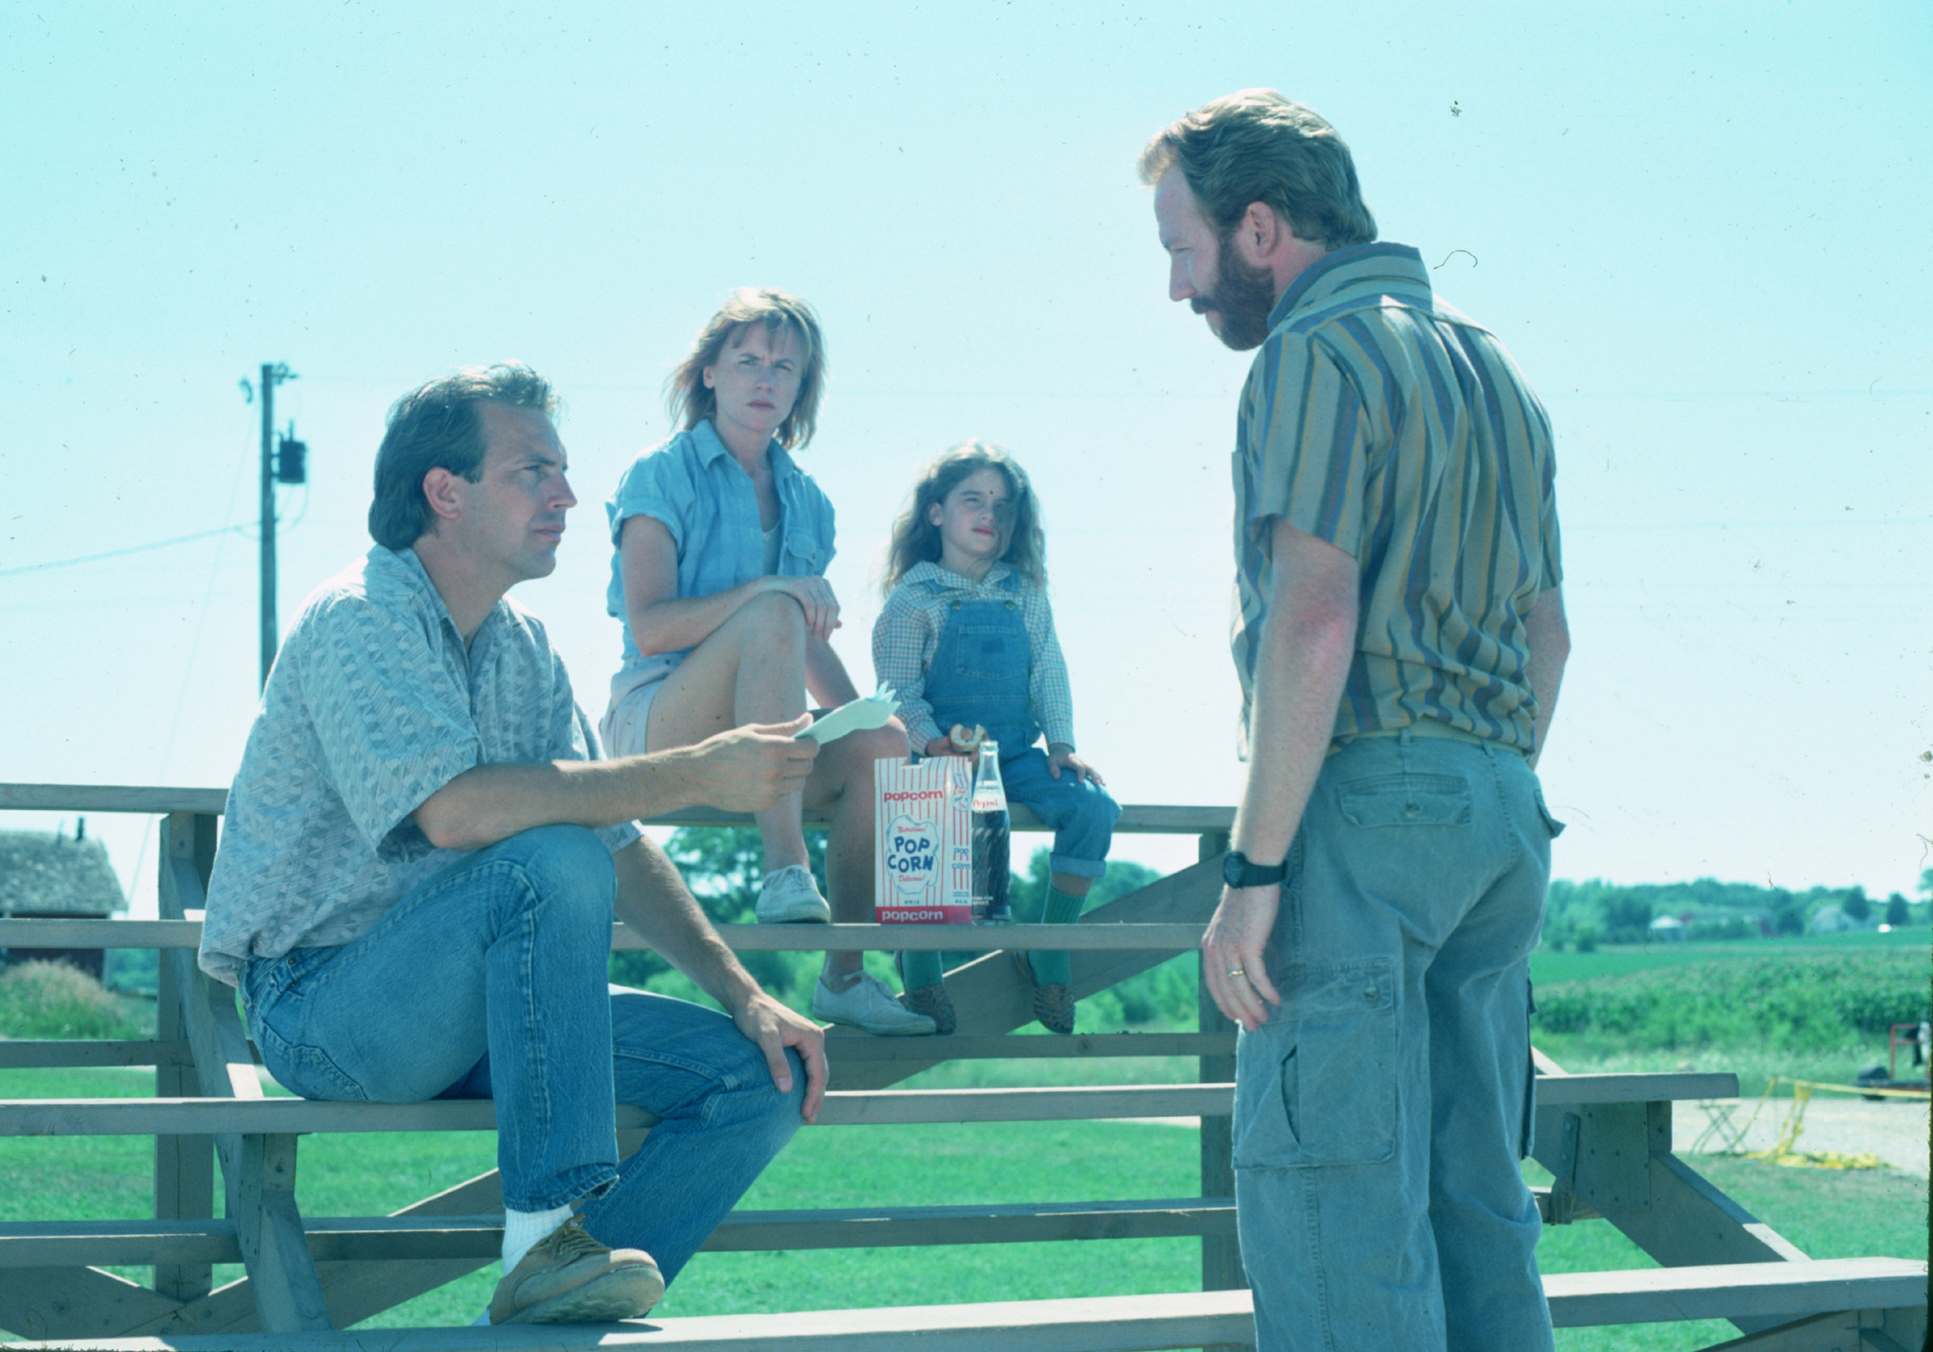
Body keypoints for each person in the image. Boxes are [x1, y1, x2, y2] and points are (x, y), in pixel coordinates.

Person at [198, 362, 829, 1326]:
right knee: (548, 858)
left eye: (565, 471)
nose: (568, 495)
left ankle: (564, 1302)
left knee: (762, 1077)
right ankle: (546, 1239)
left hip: (480, 998)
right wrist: (696, 771)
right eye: (533, 470)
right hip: (322, 1006)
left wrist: (746, 998)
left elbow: (618, 844)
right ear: (443, 493)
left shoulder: (525, 645)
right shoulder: (359, 618)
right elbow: (455, 814)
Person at [1141, 90, 1571, 1351]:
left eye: (1182, 249)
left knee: (1332, 1205)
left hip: (1361, 814)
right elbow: (1549, 636)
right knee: (1476, 1202)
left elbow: (1313, 619)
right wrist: (1458, 782)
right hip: (1500, 813)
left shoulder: (1309, 356)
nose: (1176, 288)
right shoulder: (1498, 370)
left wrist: (1252, 868)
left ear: (1259, 227)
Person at [602, 288, 929, 1037]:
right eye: (746, 360)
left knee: (882, 747)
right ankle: (785, 868)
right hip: (656, 722)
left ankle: (845, 978)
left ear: (801, 386)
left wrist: (884, 721)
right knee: (773, 608)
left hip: (759, 736)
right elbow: (650, 627)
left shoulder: (807, 500)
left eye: (784, 367)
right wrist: (769, 593)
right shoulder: (660, 474)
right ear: (708, 372)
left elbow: (800, 640)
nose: (765, 380)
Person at [871, 442, 1120, 1035]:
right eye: (972, 500)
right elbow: (898, 691)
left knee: (1094, 807)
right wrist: (932, 744)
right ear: (936, 513)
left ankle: (1048, 947)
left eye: (1003, 506)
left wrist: (1060, 743)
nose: (989, 514)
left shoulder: (1024, 592)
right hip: (936, 754)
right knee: (922, 825)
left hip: (1012, 754)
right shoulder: (913, 599)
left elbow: (1048, 671)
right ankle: (922, 969)